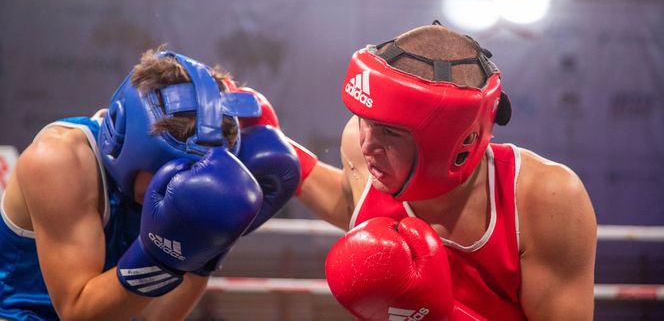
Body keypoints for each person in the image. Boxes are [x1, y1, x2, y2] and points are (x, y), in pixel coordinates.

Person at [248, 23, 597, 320]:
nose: (368, 143)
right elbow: (353, 204)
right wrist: (285, 156)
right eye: (366, 120)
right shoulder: (358, 143)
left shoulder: (545, 198)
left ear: (456, 142)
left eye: (390, 131)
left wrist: (439, 315)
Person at [0, 49, 300, 321]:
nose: (180, 182)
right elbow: (78, 314)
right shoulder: (59, 161)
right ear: (126, 145)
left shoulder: (161, 191)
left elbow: (152, 317)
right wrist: (155, 259)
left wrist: (209, 249)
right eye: (168, 168)